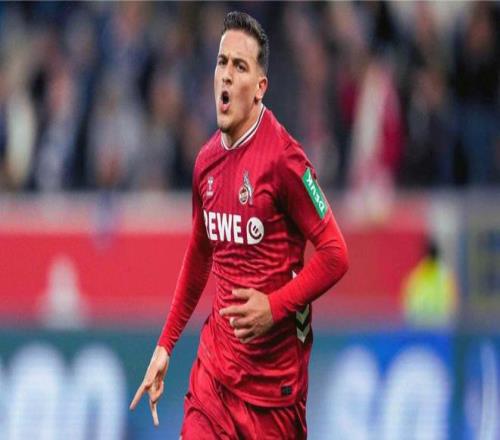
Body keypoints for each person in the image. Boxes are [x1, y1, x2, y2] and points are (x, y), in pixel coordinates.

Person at [130, 11, 348, 439]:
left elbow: (336, 254)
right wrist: (165, 345)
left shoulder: (285, 160)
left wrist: (274, 306)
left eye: (240, 66)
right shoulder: (206, 163)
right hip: (214, 380)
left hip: (274, 394)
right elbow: (199, 257)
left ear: (260, 87)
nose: (226, 75)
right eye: (222, 62)